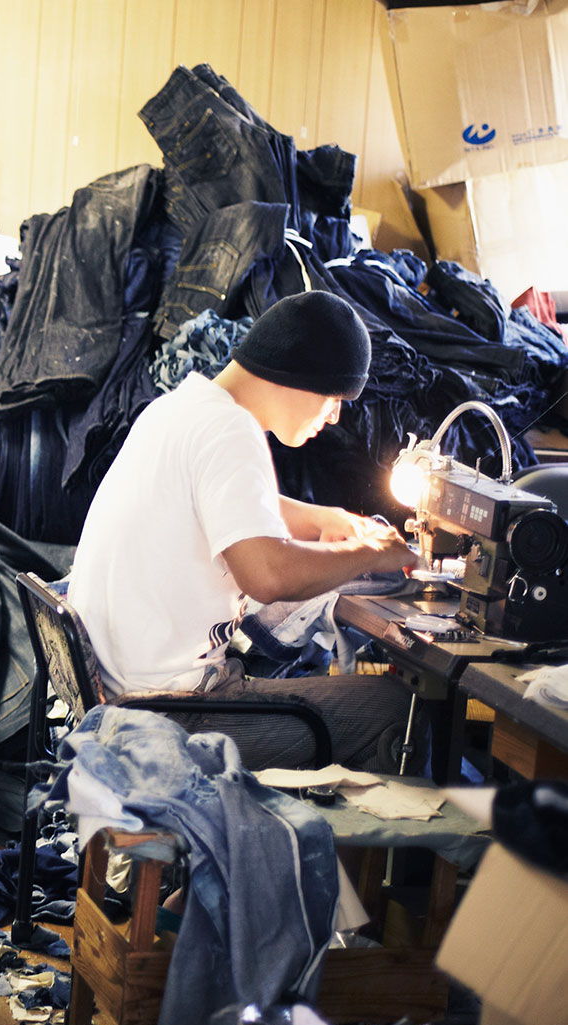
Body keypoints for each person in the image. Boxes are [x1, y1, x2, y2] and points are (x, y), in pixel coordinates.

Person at [66, 290, 417, 771]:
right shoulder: (231, 430)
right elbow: (267, 577)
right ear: (302, 378)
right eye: (335, 398)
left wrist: (324, 519)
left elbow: (227, 501)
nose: (335, 415)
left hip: (120, 695)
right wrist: (373, 554)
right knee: (394, 707)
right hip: (166, 717)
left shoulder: (180, 408)